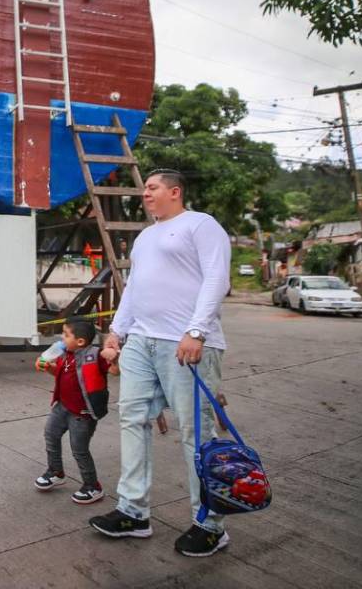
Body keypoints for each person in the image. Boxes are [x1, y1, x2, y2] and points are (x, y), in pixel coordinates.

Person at [89, 168, 233, 557]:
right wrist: (118, 331)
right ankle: (133, 512)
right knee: (132, 420)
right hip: (141, 342)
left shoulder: (200, 225)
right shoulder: (146, 236)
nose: (145, 193)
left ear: (175, 191)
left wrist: (198, 330)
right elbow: (134, 286)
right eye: (144, 189)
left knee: (195, 435)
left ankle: (209, 524)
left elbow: (217, 278)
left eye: (151, 188)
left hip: (185, 344)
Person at [33, 319, 111, 505]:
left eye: (66, 335)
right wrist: (48, 368)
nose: (62, 338)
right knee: (51, 435)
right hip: (62, 407)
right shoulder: (65, 354)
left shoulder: (95, 355)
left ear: (80, 341)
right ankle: (55, 472)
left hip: (82, 414)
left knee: (79, 450)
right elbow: (60, 373)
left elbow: (115, 370)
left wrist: (113, 355)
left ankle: (92, 486)